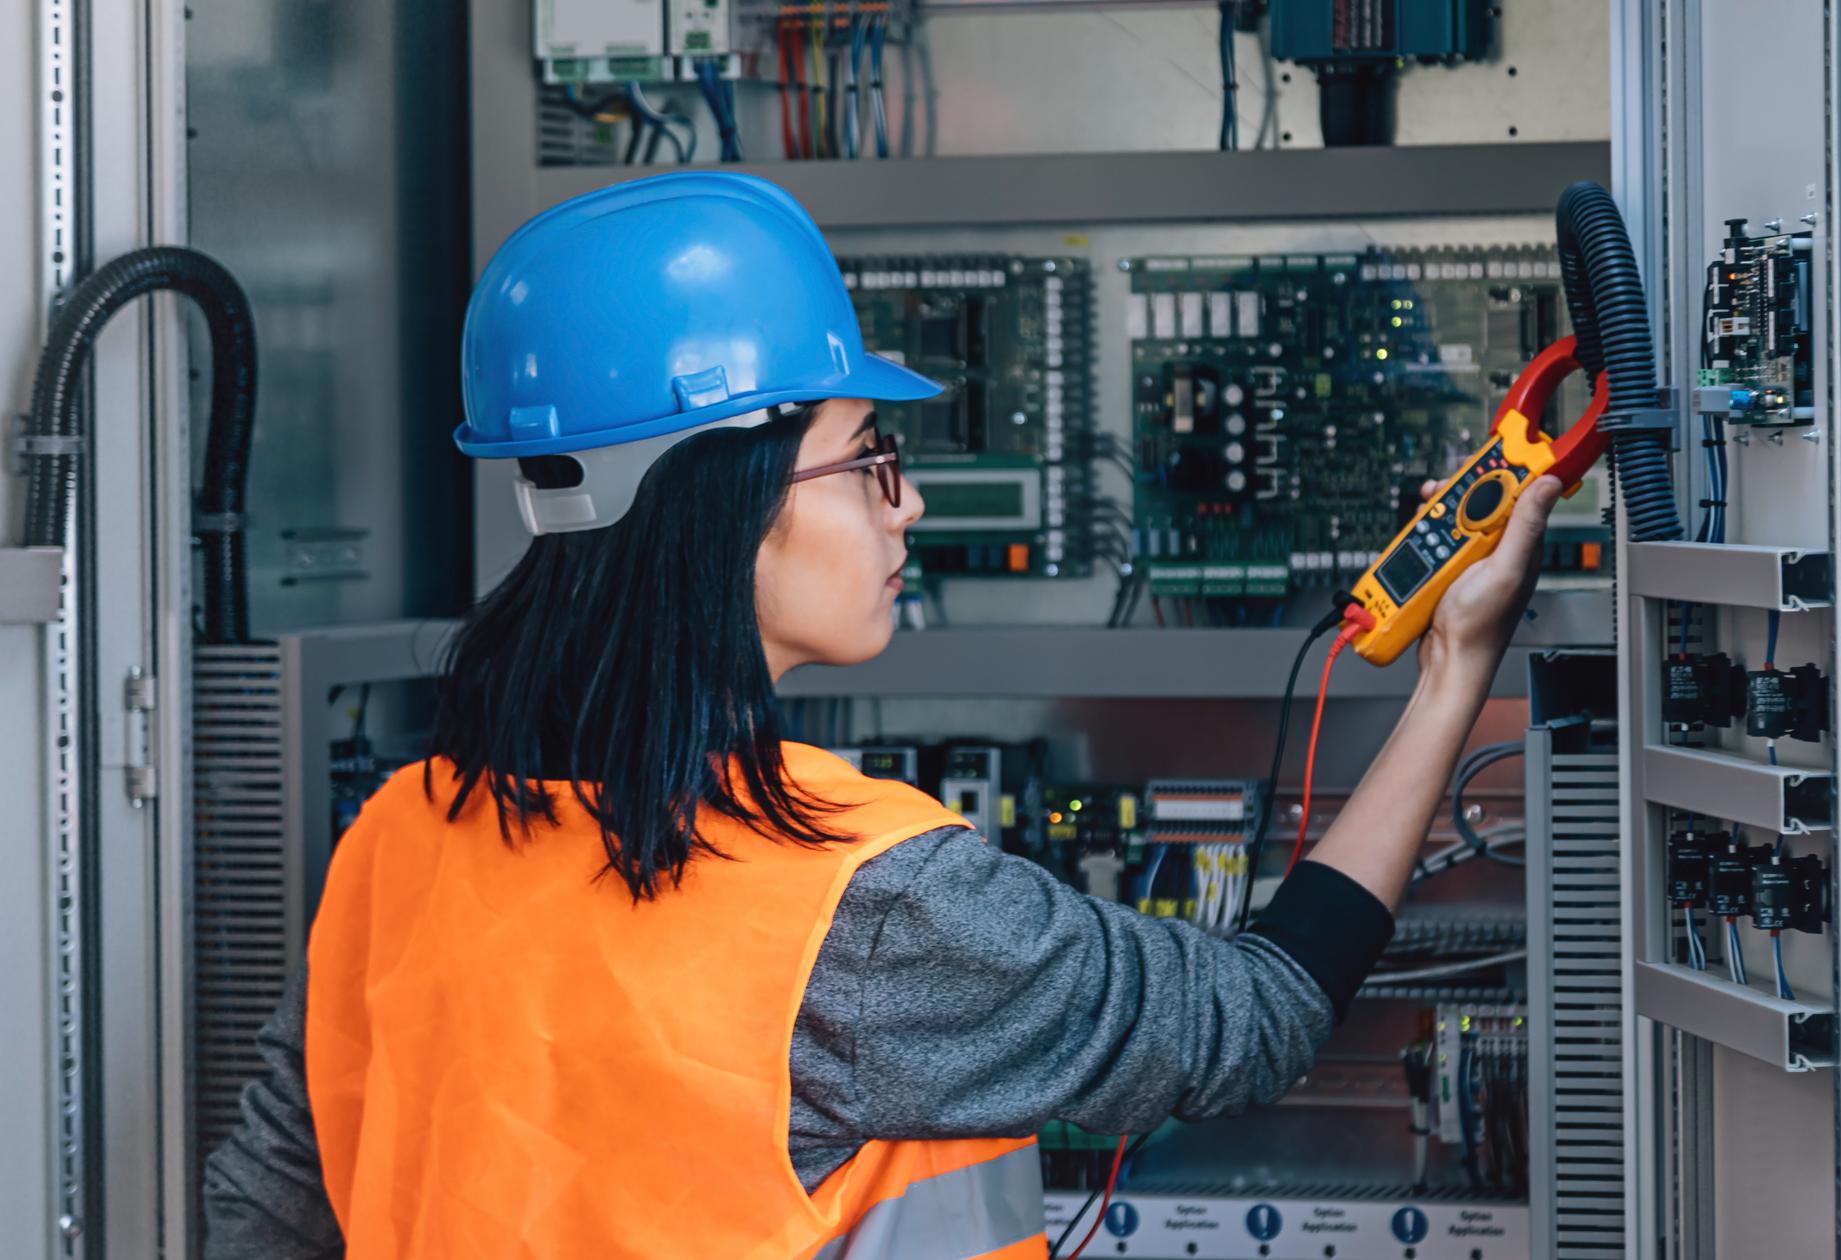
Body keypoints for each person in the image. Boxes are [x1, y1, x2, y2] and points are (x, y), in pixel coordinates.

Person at [200, 172, 1562, 1259]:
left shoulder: (393, 843)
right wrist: (1453, 673)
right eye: (869, 461)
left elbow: (266, 1225)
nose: (905, 505)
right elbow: (1257, 1015)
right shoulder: (864, 902)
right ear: (724, 502)